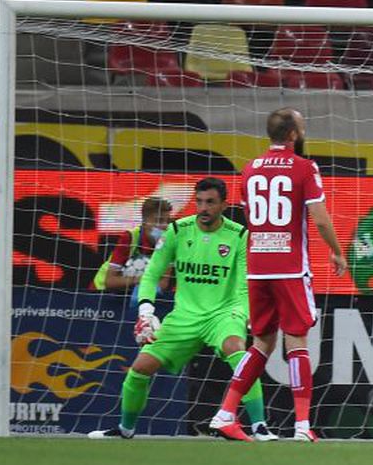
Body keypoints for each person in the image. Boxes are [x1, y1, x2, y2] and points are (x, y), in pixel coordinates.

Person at [89, 178, 274, 440]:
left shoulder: (240, 236)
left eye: (210, 202)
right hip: (184, 317)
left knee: (239, 353)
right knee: (140, 368)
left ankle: (259, 427)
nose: (203, 208)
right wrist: (146, 311)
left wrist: (241, 314)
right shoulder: (177, 231)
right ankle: (125, 429)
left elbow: (246, 285)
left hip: (223, 313)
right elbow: (152, 275)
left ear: (223, 204)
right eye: (199, 202)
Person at [209, 109, 348, 443]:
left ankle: (225, 414)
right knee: (296, 341)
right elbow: (320, 219)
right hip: (290, 267)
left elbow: (249, 216)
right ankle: (302, 426)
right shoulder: (305, 168)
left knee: (261, 343)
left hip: (257, 267)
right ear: (294, 136)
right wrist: (337, 251)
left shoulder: (249, 169)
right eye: (302, 127)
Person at [93, 196, 172, 294]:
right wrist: (141, 279)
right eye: (159, 221)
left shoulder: (169, 241)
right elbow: (109, 281)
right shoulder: (130, 238)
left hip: (137, 294)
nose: (165, 226)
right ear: (144, 222)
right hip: (101, 292)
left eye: (168, 221)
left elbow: (163, 283)